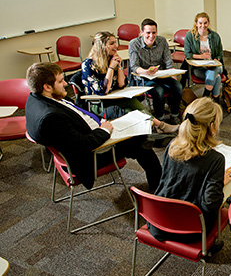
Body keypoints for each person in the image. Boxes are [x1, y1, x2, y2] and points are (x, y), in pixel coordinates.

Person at [25, 62, 162, 191]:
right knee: (140, 143)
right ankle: (158, 186)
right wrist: (104, 130)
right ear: (47, 87)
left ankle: (152, 136)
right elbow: (84, 145)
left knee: (116, 110)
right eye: (61, 81)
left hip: (90, 126)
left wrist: (101, 122)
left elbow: (76, 114)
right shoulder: (51, 118)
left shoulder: (36, 98)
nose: (66, 83)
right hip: (92, 155)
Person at [148, 97, 231, 242]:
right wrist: (220, 183)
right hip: (192, 231)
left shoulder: (172, 146)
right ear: (212, 127)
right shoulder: (216, 160)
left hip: (158, 223)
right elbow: (211, 205)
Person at [82, 31, 179, 134]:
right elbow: (103, 90)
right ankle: (159, 125)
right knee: (131, 106)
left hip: (116, 99)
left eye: (115, 42)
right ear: (101, 47)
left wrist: (119, 67)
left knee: (132, 107)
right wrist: (111, 68)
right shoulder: (88, 64)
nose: (116, 46)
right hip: (100, 103)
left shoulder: (111, 60)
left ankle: (153, 130)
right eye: (111, 43)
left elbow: (122, 84)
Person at [129, 18, 183, 124]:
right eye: (148, 33)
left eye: (154, 32)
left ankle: (175, 115)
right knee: (159, 91)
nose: (151, 36)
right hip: (143, 77)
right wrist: (146, 71)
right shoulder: (134, 44)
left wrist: (173, 76)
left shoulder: (162, 41)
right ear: (141, 33)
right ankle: (160, 119)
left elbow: (168, 62)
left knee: (178, 86)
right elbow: (134, 67)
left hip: (161, 75)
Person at [183, 12, 224, 102]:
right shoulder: (190, 36)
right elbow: (187, 55)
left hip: (214, 66)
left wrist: (216, 59)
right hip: (199, 67)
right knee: (216, 77)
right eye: (200, 23)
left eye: (205, 23)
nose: (203, 25)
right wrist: (201, 57)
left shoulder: (215, 36)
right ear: (196, 23)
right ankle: (215, 99)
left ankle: (204, 98)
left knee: (213, 71)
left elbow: (220, 53)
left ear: (208, 23)